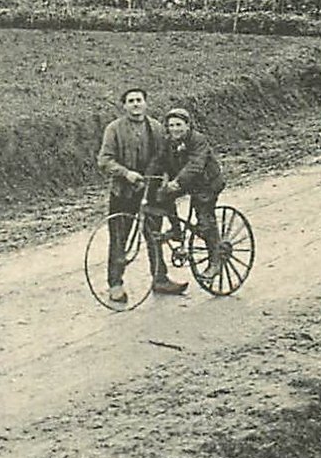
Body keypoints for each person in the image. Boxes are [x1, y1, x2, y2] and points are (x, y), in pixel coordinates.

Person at [95, 87, 169, 303]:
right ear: (124, 105)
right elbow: (104, 160)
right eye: (131, 101)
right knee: (119, 238)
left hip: (149, 191)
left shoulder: (155, 127)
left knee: (154, 234)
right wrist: (126, 173)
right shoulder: (114, 129)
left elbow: (164, 157)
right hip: (123, 193)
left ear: (146, 104)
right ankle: (115, 284)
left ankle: (160, 278)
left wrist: (164, 175)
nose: (136, 104)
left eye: (139, 100)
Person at [152, 108, 227, 284]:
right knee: (161, 197)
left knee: (204, 217)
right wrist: (148, 177)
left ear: (188, 125)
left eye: (179, 125)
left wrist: (177, 182)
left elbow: (196, 165)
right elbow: (158, 161)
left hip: (207, 183)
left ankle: (215, 261)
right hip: (186, 182)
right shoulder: (168, 141)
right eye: (171, 126)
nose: (175, 129)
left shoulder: (198, 140)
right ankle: (176, 230)